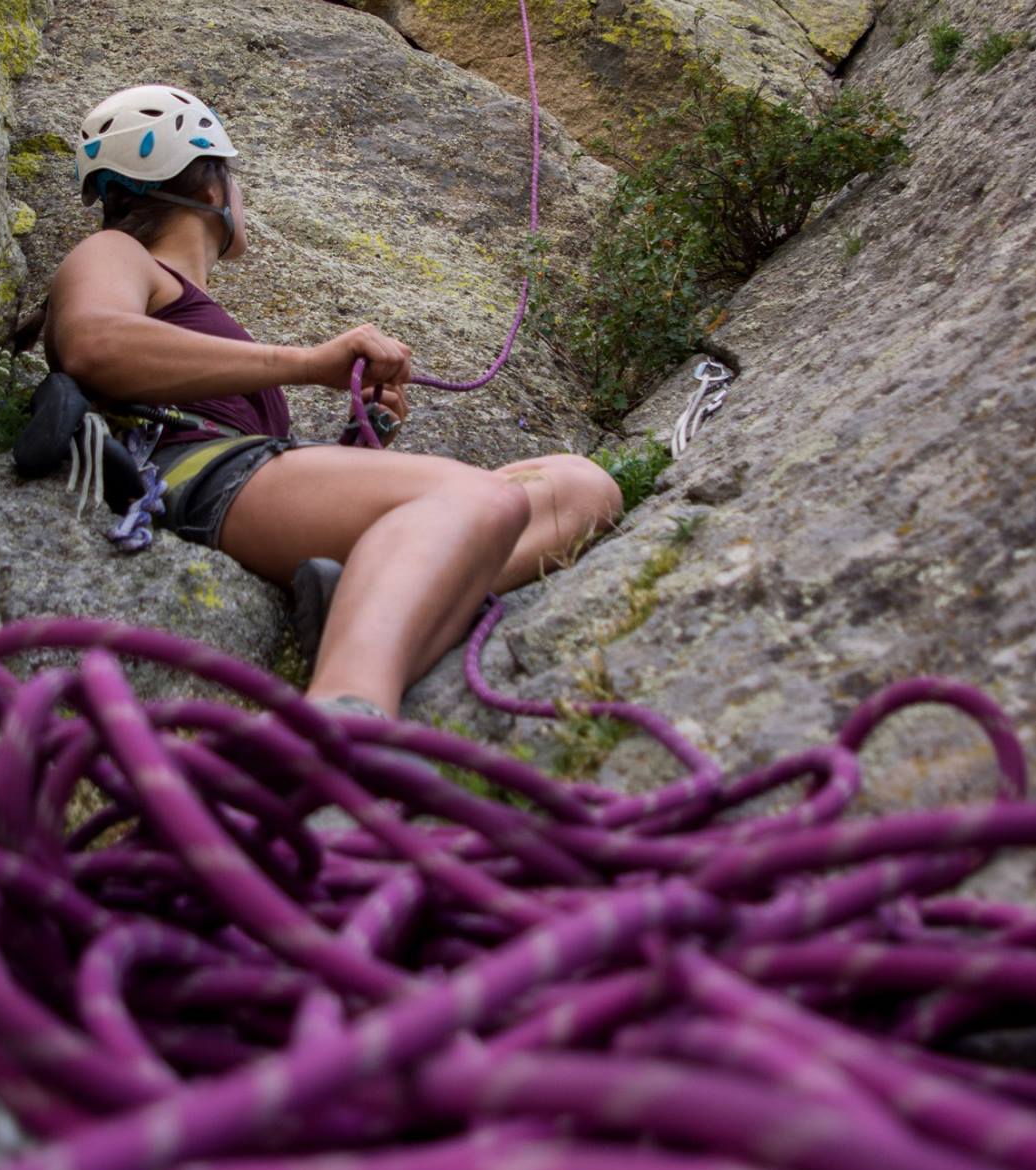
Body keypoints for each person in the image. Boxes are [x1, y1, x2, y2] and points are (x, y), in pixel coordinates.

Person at [43, 83, 622, 721]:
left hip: (244, 477)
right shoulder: (116, 252)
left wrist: (362, 437)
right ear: (213, 190)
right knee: (480, 498)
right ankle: (343, 710)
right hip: (192, 472)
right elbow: (93, 344)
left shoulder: (199, 316)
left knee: (580, 487)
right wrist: (308, 363)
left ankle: (366, 596)